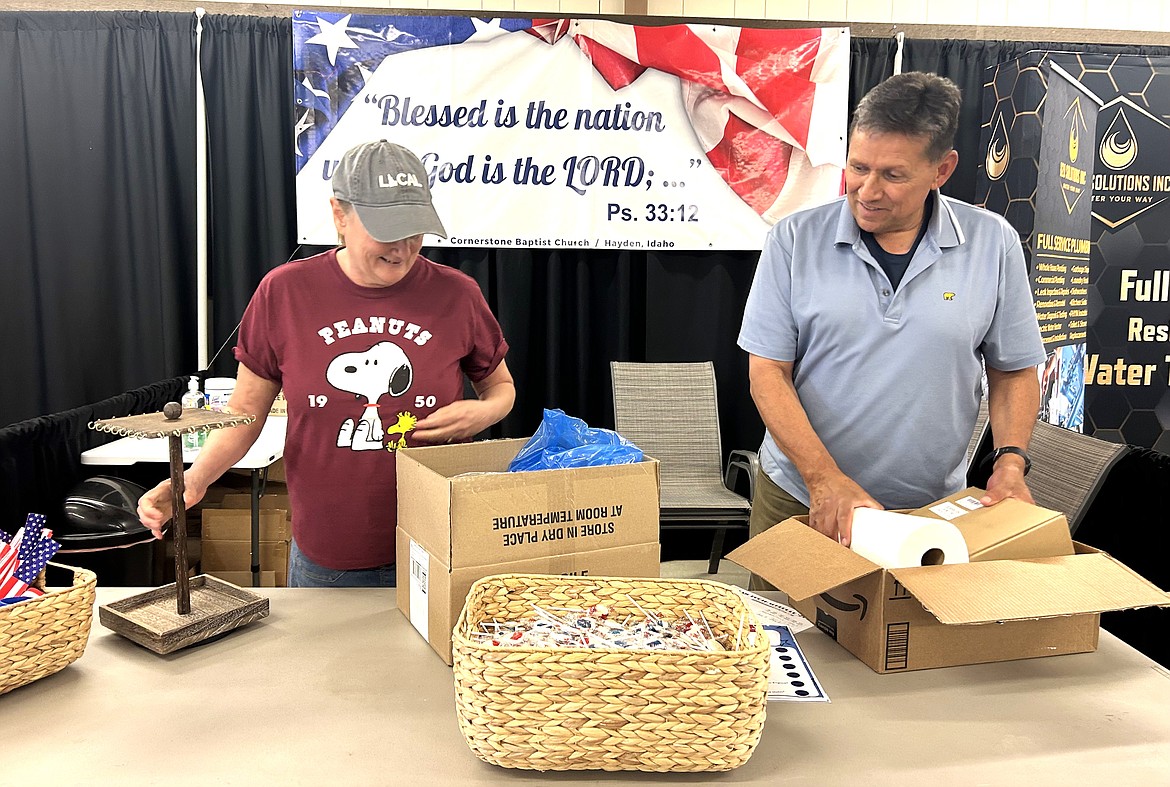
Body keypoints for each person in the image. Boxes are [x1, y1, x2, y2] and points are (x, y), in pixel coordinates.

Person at [138, 140, 515, 587]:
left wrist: (484, 412)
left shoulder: (457, 294)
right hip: (330, 557)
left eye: (414, 229)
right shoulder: (285, 293)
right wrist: (193, 481)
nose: (404, 247)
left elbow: (502, 390)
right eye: (387, 229)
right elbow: (245, 414)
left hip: (438, 546)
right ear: (340, 214)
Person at [737, 72, 1045, 581]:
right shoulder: (795, 240)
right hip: (801, 497)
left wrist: (1010, 461)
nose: (868, 190)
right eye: (858, 167)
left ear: (941, 170)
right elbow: (767, 371)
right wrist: (823, 478)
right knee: (780, 646)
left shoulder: (993, 244)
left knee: (904, 654)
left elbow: (1013, 371)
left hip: (928, 517)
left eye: (893, 175)